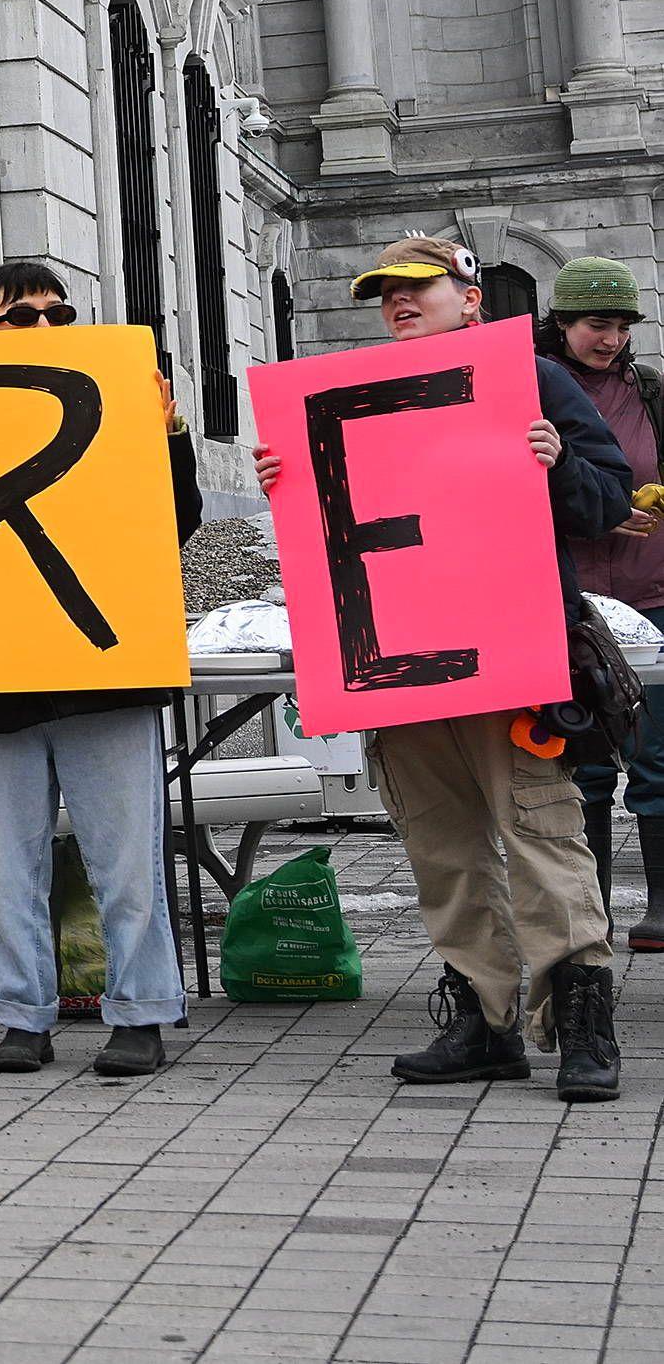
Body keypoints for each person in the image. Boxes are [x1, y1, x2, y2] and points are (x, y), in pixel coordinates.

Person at [259, 235, 634, 1103]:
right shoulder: (346, 400)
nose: (397, 302)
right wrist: (286, 477)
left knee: (542, 838)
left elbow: (608, 500)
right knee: (442, 849)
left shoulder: (533, 380)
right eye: (383, 293)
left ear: (470, 299)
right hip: (402, 664)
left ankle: (583, 1024)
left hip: (509, 657)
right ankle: (484, 1022)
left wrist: (558, 463)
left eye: (415, 288)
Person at [0, 262, 196, 1079]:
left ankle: (141, 1011)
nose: (45, 328)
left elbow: (175, 525)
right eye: (20, 316)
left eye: (59, 313)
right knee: (10, 865)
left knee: (128, 861)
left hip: (108, 675)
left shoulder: (116, 404)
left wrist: (169, 438)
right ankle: (20, 1014)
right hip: (1, 680)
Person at [537, 259, 664, 946]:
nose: (610, 339)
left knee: (656, 755)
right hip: (575, 604)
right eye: (595, 325)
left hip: (651, 595)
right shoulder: (534, 387)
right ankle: (593, 912)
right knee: (582, 763)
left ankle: (661, 909)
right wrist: (600, 508)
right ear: (561, 323)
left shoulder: (649, 393)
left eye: (620, 326)